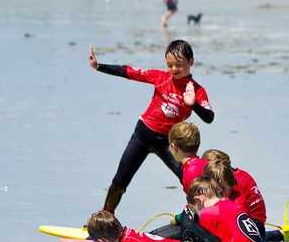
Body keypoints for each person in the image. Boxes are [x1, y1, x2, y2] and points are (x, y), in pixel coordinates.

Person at [88, 40, 214, 213]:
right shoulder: (161, 77)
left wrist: (193, 104)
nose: (174, 69)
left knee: (190, 180)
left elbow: (209, 117)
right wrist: (99, 66)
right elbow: (129, 72)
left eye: (179, 65)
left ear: (191, 62)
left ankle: (205, 218)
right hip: (143, 135)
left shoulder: (196, 90)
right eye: (170, 65)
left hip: (170, 144)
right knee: (119, 182)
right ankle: (104, 219)